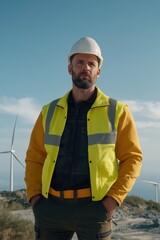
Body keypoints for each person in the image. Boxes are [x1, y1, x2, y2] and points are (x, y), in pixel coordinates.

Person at [25, 37, 142, 240]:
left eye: (91, 63)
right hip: (50, 207)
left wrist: (112, 200)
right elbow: (35, 157)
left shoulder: (118, 111)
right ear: (70, 68)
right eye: (80, 62)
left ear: (98, 71)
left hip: (95, 209)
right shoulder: (48, 111)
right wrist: (36, 199)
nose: (85, 67)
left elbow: (132, 158)